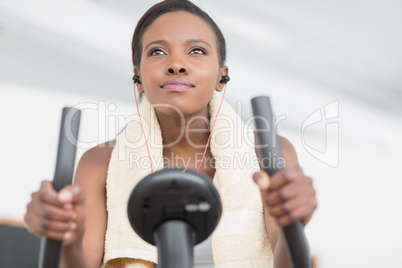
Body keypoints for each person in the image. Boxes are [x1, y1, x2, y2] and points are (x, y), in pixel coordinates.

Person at [24, 0, 317, 267]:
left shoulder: (269, 153)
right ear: (137, 77)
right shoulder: (99, 163)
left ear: (221, 75)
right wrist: (66, 237)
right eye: (158, 52)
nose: (176, 64)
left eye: (197, 50)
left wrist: (294, 226)